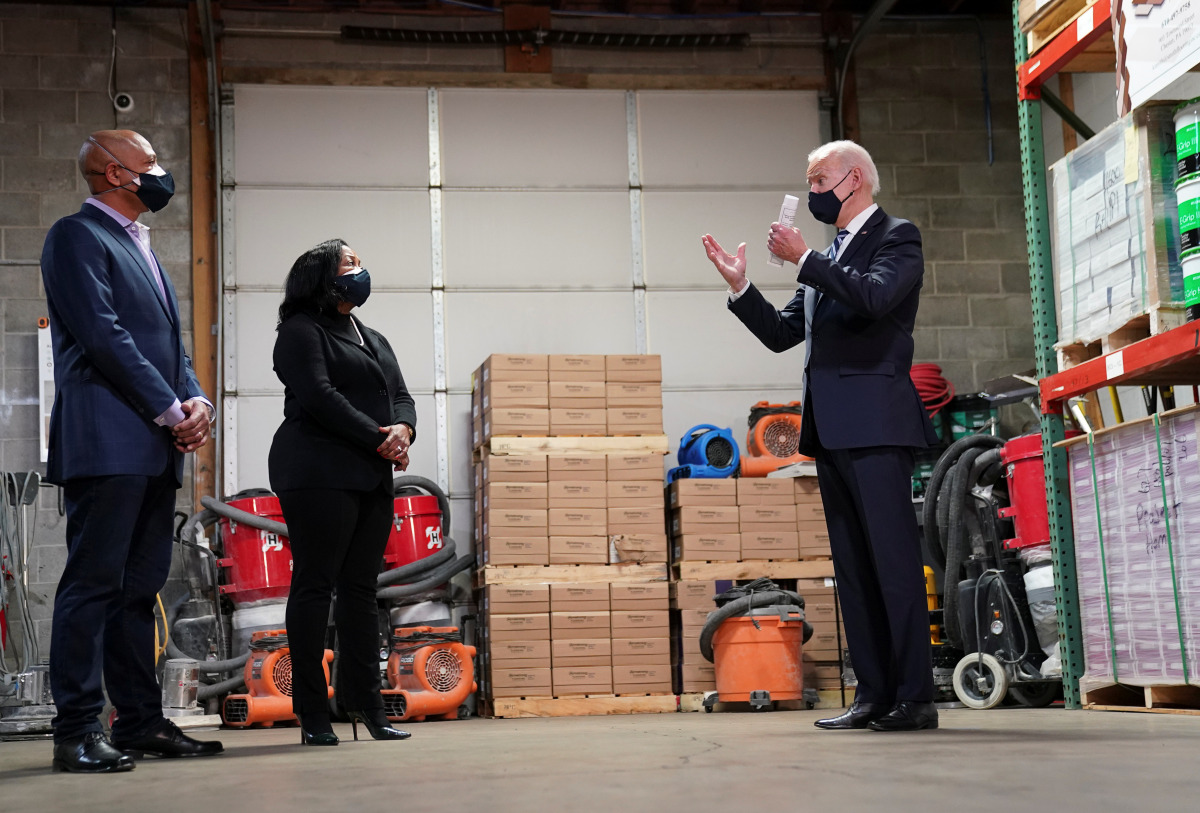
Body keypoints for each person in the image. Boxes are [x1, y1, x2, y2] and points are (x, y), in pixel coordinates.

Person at [701, 140, 941, 732]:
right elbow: (786, 334)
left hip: (878, 425)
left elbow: (876, 297)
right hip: (830, 432)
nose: (810, 191)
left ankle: (915, 698)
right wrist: (741, 288)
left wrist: (807, 260)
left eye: (819, 179)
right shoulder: (828, 254)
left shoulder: (896, 237)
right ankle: (873, 695)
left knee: (893, 566)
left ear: (854, 179)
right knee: (854, 571)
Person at [40, 130, 224, 773]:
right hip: (108, 439)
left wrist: (196, 400)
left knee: (138, 590)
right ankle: (76, 730)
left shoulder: (141, 246)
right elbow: (103, 335)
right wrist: (171, 409)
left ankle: (141, 723)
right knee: (92, 585)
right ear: (115, 173)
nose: (160, 174)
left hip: (150, 441)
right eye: (150, 164)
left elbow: (165, 347)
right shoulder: (76, 236)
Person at [269, 239, 417, 746]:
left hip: (370, 471)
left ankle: (368, 707)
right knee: (315, 585)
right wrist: (382, 439)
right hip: (317, 467)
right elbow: (319, 396)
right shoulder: (299, 330)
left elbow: (400, 395)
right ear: (322, 278)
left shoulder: (370, 335)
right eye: (350, 264)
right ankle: (312, 713)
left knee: (360, 590)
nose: (361, 270)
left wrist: (405, 430)